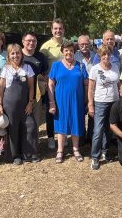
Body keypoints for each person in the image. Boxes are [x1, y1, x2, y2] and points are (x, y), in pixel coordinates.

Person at [0, 44, 38, 165]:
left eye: (18, 53)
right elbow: (1, 88)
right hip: (9, 105)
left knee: (30, 126)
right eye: (12, 53)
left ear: (21, 54)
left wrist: (30, 103)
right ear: (9, 55)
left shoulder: (27, 68)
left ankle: (29, 154)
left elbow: (31, 88)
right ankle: (15, 156)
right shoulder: (5, 69)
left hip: (25, 105)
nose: (15, 56)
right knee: (13, 130)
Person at [48, 41, 88, 163]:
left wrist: (86, 100)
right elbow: (50, 84)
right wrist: (52, 102)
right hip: (61, 100)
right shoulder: (56, 65)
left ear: (74, 52)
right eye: (66, 50)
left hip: (77, 100)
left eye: (71, 50)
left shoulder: (81, 66)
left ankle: (75, 149)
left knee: (76, 122)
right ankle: (60, 150)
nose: (68, 52)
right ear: (62, 52)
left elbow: (86, 85)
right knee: (61, 124)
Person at [88, 45, 120, 170]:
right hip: (100, 102)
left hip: (114, 101)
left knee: (108, 128)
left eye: (108, 54)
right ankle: (95, 157)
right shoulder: (95, 69)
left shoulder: (115, 67)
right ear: (100, 56)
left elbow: (118, 84)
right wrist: (90, 104)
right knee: (98, 130)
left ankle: (105, 151)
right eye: (104, 54)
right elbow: (90, 89)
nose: (106, 57)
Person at [40, 18, 66, 149]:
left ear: (63, 29)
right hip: (51, 85)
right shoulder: (46, 47)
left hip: (65, 85)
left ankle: (63, 134)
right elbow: (40, 66)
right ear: (52, 30)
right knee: (51, 111)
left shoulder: (68, 44)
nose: (58, 31)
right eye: (55, 28)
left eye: (60, 28)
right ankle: (50, 137)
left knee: (63, 110)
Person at [22, 32, 48, 126]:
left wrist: (43, 84)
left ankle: (35, 140)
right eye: (29, 40)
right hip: (20, 95)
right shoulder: (17, 54)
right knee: (21, 122)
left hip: (36, 97)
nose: (31, 43)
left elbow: (45, 73)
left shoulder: (40, 56)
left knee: (35, 122)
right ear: (23, 42)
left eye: (34, 41)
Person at [74, 35, 96, 143]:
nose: (84, 46)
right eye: (81, 44)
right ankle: (81, 137)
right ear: (78, 45)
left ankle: (91, 137)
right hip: (80, 90)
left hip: (93, 90)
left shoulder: (96, 56)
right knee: (80, 114)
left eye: (86, 44)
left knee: (92, 113)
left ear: (90, 44)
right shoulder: (74, 57)